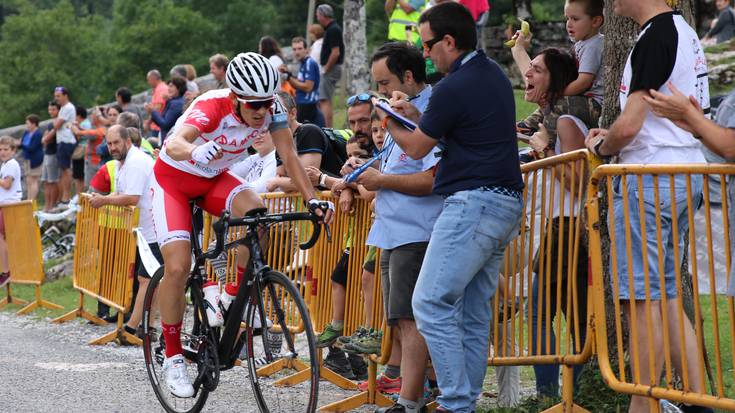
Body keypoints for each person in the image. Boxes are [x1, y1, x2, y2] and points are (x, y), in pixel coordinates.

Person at [149, 52, 333, 398]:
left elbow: (290, 156)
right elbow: (174, 142)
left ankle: (230, 297)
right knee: (177, 267)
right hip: (173, 181)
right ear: (235, 97)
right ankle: (172, 356)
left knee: (258, 215)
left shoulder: (273, 109)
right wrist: (191, 152)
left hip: (213, 180)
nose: (262, 111)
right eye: (253, 105)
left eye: (267, 102)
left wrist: (313, 199)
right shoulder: (212, 105)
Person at [380, 4, 524, 412]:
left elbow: (417, 147)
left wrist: (389, 119)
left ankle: (456, 402)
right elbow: (457, 132)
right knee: (474, 312)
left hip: (473, 202)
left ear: (448, 41)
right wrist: (416, 115)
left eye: (428, 46)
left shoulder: (453, 85)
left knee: (428, 302)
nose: (425, 56)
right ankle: (466, 400)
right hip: (505, 202)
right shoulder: (491, 73)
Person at [583, 0, 712, 412]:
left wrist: (604, 144)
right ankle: (698, 404)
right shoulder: (677, 32)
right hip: (676, 172)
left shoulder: (658, 33)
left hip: (651, 177)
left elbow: (632, 123)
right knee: (668, 298)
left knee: (643, 303)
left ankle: (643, 407)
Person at [358, 41, 443, 413]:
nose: (380, 92)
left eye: (384, 82)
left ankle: (410, 400)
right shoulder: (401, 113)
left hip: (416, 230)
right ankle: (410, 396)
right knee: (401, 319)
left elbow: (432, 178)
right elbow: (394, 164)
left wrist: (381, 181)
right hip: (395, 230)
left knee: (410, 320)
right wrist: (355, 178)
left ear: (408, 77)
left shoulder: (430, 112)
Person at [518, 47, 591, 398]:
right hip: (562, 226)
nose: (527, 76)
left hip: (570, 225)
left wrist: (545, 151)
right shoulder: (551, 118)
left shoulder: (564, 121)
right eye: (528, 69)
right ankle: (568, 392)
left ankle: (550, 395)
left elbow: (578, 182)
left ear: (555, 80)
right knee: (572, 316)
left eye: (536, 70)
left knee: (541, 312)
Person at [88, 125, 157, 344]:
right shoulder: (121, 163)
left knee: (146, 279)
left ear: (127, 140)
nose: (112, 148)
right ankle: (148, 327)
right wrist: (104, 197)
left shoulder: (136, 162)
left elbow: (132, 198)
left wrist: (104, 200)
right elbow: (120, 192)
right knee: (151, 279)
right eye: (109, 144)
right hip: (143, 229)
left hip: (156, 227)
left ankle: (131, 328)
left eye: (116, 143)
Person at [511, 0, 604, 144]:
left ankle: (548, 142)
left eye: (575, 19)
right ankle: (528, 125)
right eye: (567, 18)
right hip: (583, 100)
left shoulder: (594, 45)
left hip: (595, 104)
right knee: (553, 101)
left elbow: (583, 82)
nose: (569, 24)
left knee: (558, 104)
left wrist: (557, 93)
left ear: (596, 21)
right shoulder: (581, 44)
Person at [281, 37, 324, 126]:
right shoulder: (303, 63)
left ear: (306, 50)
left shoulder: (309, 63)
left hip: (307, 105)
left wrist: (288, 78)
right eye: (294, 49)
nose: (297, 52)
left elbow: (308, 87)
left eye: (300, 49)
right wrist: (288, 74)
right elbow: (298, 84)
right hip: (303, 104)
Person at [316, 4, 344, 128]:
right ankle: (327, 127)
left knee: (324, 100)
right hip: (332, 68)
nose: (317, 18)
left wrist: (326, 69)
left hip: (331, 69)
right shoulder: (332, 29)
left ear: (323, 15)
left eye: (318, 15)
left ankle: (327, 129)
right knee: (325, 99)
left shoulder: (333, 29)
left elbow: (335, 52)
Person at [0, 136, 23, 288]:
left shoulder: (11, 165)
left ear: (13, 151)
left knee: (1, 237)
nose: (2, 152)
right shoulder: (5, 164)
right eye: (0, 149)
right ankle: (6, 270)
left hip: (9, 205)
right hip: (5, 204)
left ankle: (6, 271)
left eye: (6, 149)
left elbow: (7, 184)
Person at [53, 86, 77, 207]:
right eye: (55, 96)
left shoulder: (67, 107)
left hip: (66, 141)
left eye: (58, 96)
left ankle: (66, 197)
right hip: (63, 141)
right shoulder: (64, 108)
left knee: (66, 170)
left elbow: (57, 125)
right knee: (63, 170)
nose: (56, 98)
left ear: (65, 95)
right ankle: (64, 197)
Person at [72, 107, 107, 188]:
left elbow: (78, 133)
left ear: (98, 117)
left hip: (94, 162)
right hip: (96, 161)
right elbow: (85, 132)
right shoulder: (101, 129)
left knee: (91, 188)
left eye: (93, 116)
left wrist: (71, 126)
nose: (91, 118)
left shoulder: (99, 131)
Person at [148, 77, 186, 142]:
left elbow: (165, 125)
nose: (168, 89)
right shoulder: (175, 101)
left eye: (171, 86)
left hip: (171, 140)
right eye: (168, 86)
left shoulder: (176, 104)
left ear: (179, 88)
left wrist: (153, 111)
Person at [41, 101, 61, 212]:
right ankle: (47, 205)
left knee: (53, 181)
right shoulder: (51, 123)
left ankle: (52, 205)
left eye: (53, 109)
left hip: (53, 154)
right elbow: (44, 140)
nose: (51, 112)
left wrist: (46, 138)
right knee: (46, 181)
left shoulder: (57, 123)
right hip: (47, 154)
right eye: (49, 109)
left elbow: (46, 139)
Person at [20, 114, 43, 201]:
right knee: (28, 180)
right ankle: (29, 199)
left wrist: (21, 145)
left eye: (28, 123)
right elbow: (23, 143)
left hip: (35, 160)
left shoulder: (38, 134)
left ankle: (32, 200)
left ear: (34, 124)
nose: (27, 126)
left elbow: (32, 147)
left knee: (33, 180)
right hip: (27, 158)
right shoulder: (26, 132)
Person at [145, 70, 169, 137]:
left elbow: (158, 108)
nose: (148, 82)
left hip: (158, 126)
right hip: (159, 124)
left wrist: (148, 122)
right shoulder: (162, 87)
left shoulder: (160, 89)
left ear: (153, 78)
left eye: (148, 80)